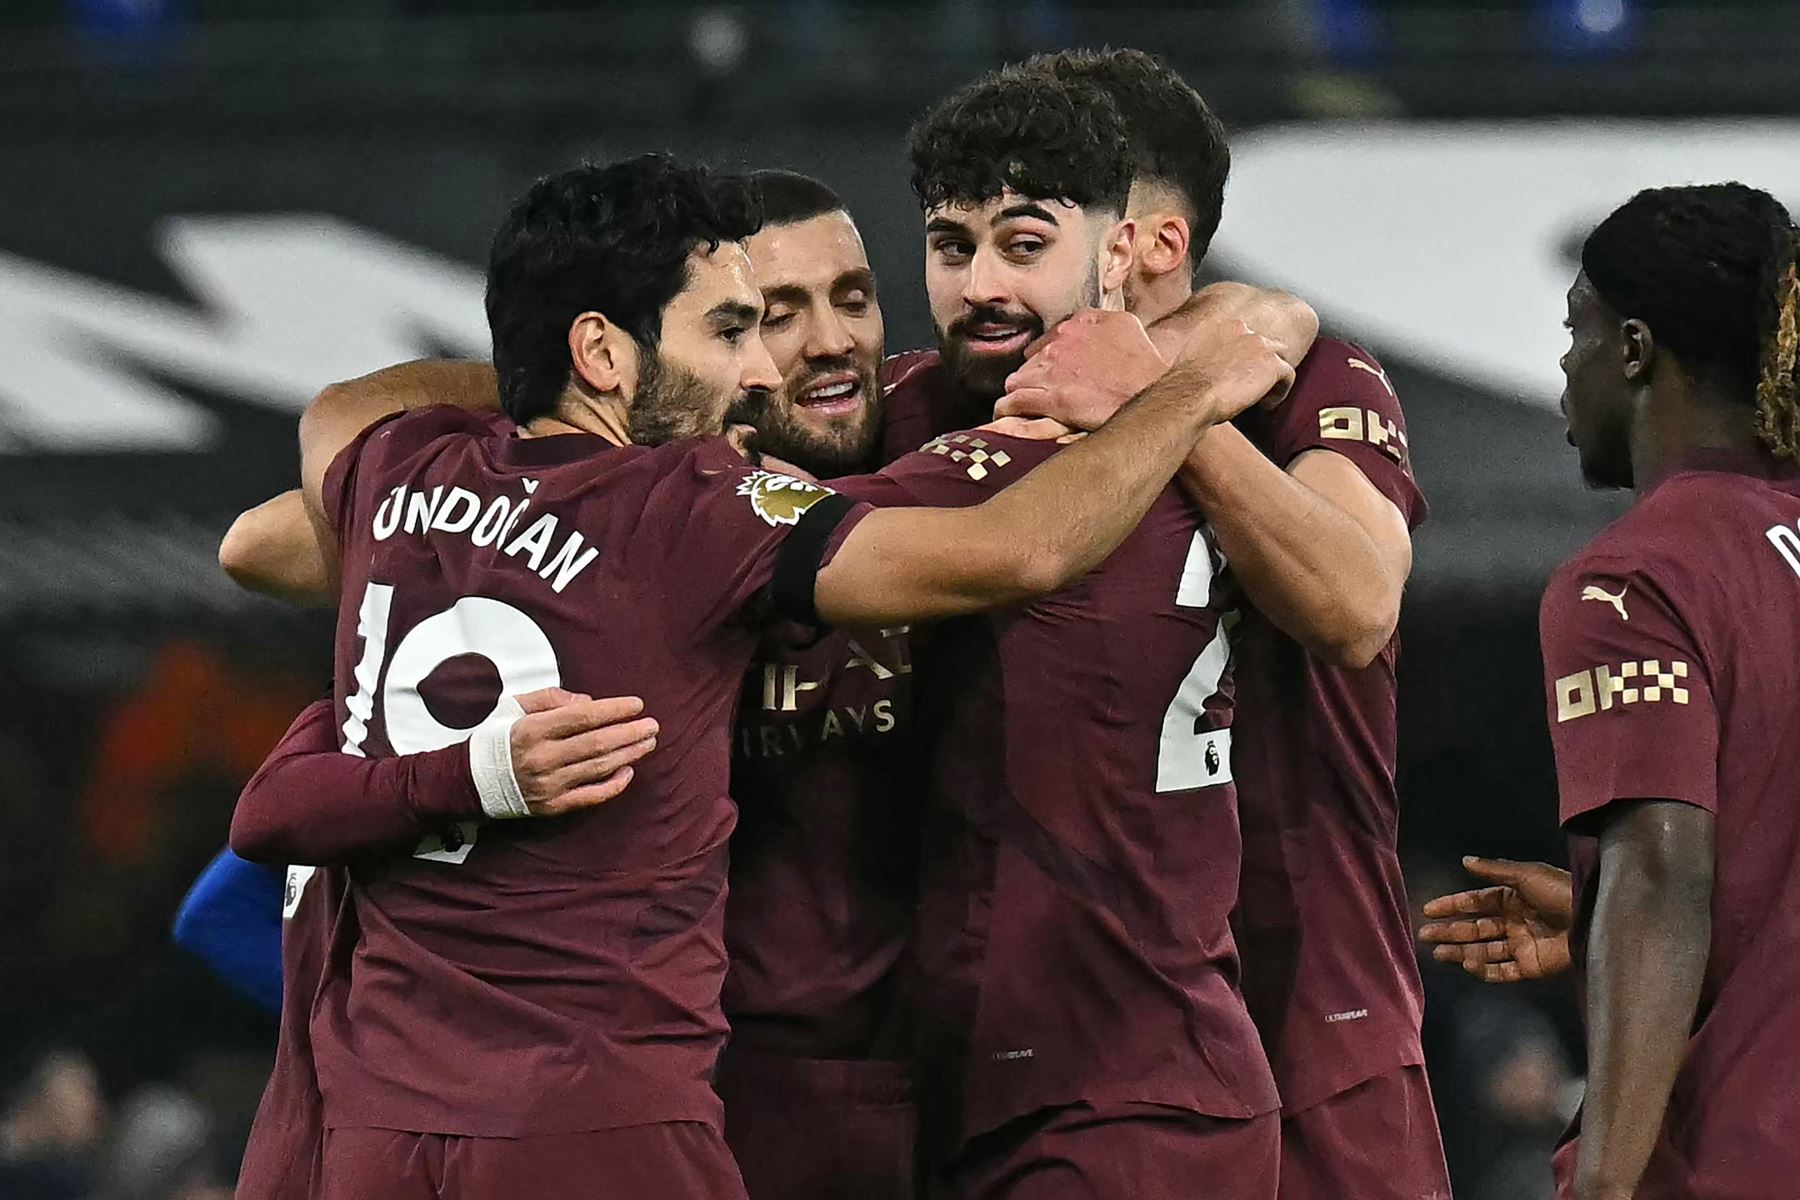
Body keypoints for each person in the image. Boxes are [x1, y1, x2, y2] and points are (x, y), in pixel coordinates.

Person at [238, 148, 1295, 1200]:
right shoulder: (693, 504)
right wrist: (1186, 400)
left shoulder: (396, 465)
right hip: (597, 1119)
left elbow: (325, 424)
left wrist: (534, 379)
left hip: (382, 1128)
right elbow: (1021, 551)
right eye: (731, 329)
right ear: (604, 353)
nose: (761, 372)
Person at [823, 65, 1294, 1200]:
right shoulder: (1184, 398)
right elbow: (1262, 317)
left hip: (1103, 1096)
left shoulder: (1000, 455)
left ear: (1124, 252)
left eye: (1024, 245)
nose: (982, 283)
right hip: (1116, 1065)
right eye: (950, 245)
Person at [992, 48, 1446, 1199]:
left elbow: (1353, 605)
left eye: (1036, 225)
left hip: (1310, 1020)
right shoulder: (993, 406)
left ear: (1147, 244)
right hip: (1084, 1051)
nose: (997, 271)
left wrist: (1169, 407)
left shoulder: (1318, 381)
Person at [1420, 182, 1800, 1200]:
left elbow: (1666, 874)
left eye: (1574, 328)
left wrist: (1602, 1188)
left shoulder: (1635, 580)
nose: (1562, 364)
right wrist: (1598, 918)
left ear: (1633, 350)